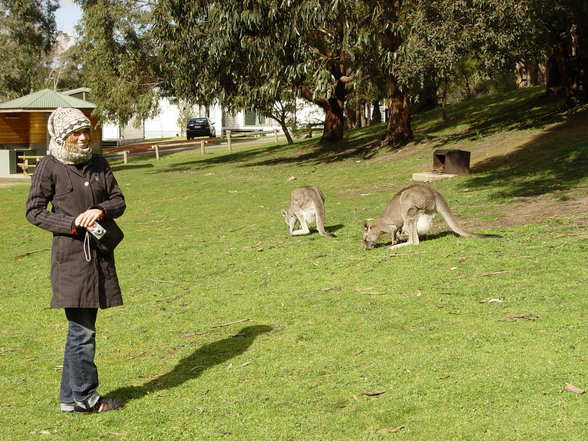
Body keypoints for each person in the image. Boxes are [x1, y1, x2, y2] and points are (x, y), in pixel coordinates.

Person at [25, 107, 126, 413]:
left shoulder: (98, 162)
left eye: (86, 132)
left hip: (99, 255)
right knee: (82, 330)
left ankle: (71, 399)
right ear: (61, 135)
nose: (83, 138)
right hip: (70, 259)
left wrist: (100, 210)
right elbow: (34, 211)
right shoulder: (49, 165)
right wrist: (71, 224)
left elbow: (118, 200)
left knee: (80, 329)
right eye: (76, 133)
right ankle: (86, 397)